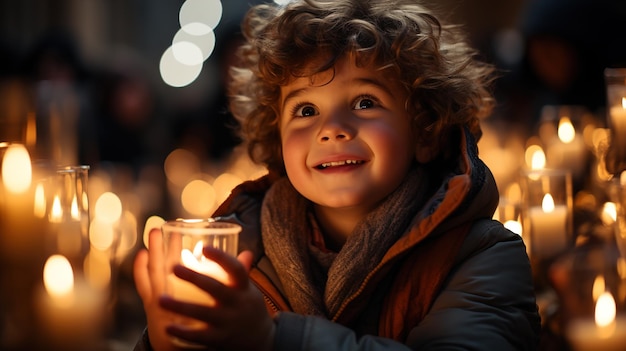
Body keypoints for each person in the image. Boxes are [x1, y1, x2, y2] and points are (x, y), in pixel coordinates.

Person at [133, 0, 541, 350]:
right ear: (278, 142)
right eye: (306, 110)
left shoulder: (483, 255)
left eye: (365, 102)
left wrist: (274, 341)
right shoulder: (241, 254)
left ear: (426, 132)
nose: (332, 128)